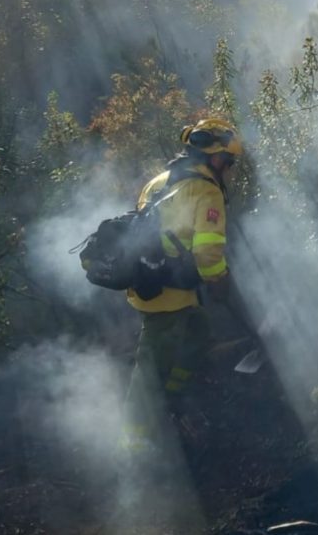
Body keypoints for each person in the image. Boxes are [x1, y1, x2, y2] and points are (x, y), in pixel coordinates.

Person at [120, 117, 242, 453]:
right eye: (228, 162)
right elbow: (206, 250)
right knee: (150, 366)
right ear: (214, 158)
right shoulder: (205, 190)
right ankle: (136, 445)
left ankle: (172, 395)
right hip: (168, 293)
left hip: (150, 282)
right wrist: (220, 281)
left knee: (199, 332)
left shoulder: (159, 181)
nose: (229, 169)